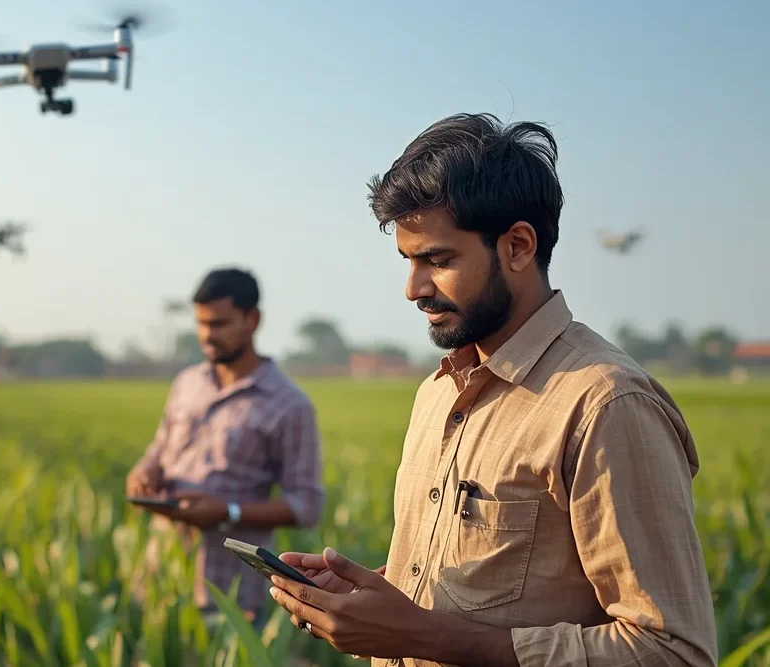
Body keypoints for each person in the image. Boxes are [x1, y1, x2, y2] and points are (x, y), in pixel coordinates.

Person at [266, 113, 718, 667]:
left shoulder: (604, 404)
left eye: (438, 259)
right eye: (408, 261)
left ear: (518, 247)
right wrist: (372, 603)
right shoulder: (438, 393)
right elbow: (487, 592)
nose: (414, 289)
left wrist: (423, 638)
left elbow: (673, 651)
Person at [127, 267, 324, 631]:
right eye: (201, 323)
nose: (206, 335)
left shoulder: (289, 405)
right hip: (162, 578)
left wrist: (226, 512)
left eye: (218, 324)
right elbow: (161, 446)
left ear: (253, 319)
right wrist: (145, 470)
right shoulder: (187, 383)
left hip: (230, 594)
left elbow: (306, 507)